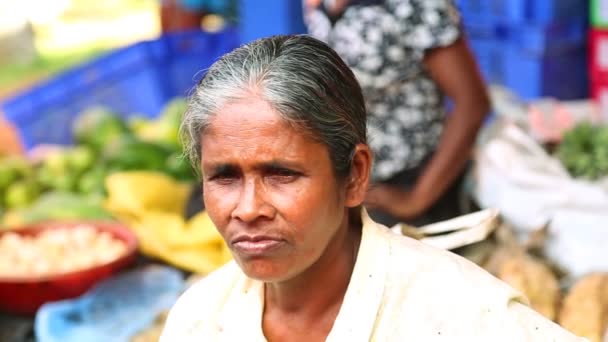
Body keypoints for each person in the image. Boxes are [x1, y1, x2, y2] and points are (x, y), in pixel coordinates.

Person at [160, 35, 583, 341]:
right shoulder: (200, 320)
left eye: (282, 174)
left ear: (356, 175)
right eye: (225, 177)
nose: (248, 208)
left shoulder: (463, 314)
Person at [304, 0, 490, 226]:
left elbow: (472, 104)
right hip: (352, 181)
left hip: (408, 183)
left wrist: (416, 200)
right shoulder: (323, 5)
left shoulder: (416, 6)